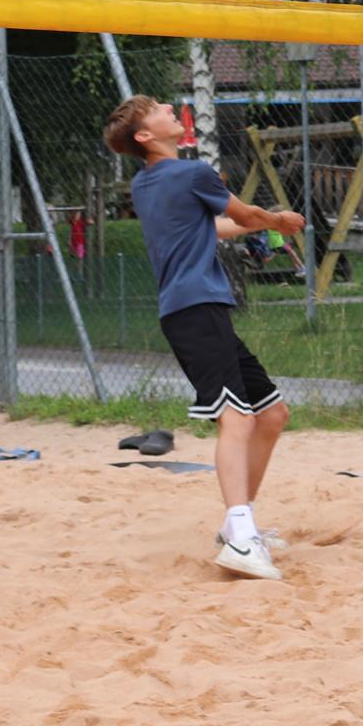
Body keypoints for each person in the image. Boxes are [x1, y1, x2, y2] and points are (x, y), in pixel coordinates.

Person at [104, 96, 305, 581]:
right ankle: (239, 537)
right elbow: (249, 215)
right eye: (156, 108)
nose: (170, 107)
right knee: (235, 420)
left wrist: (256, 223)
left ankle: (239, 524)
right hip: (195, 309)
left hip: (197, 309)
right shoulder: (191, 173)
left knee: (272, 415)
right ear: (144, 136)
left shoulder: (148, 182)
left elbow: (211, 226)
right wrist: (278, 221)